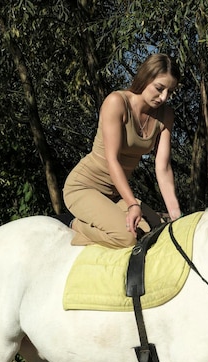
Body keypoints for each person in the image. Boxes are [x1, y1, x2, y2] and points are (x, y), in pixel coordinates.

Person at [63, 53, 182, 248]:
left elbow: (163, 167)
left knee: (155, 232)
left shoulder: (165, 115)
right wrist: (132, 204)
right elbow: (112, 160)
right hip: (84, 187)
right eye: (159, 88)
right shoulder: (116, 102)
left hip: (115, 193)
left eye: (170, 92)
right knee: (127, 239)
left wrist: (176, 214)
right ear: (145, 78)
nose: (164, 97)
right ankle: (75, 225)